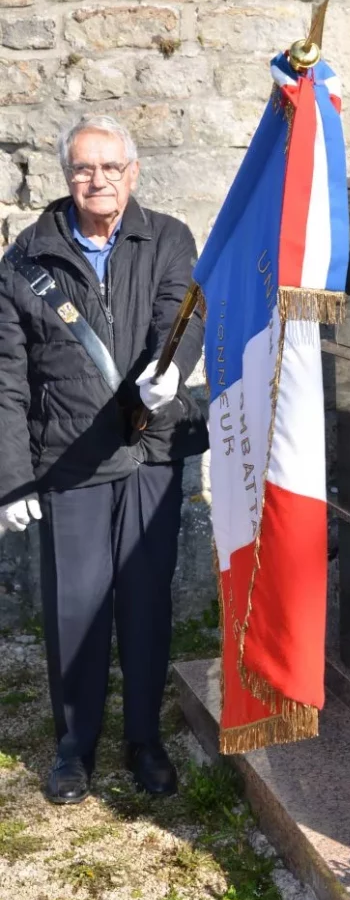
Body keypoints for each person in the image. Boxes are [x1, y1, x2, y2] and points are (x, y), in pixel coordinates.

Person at [0, 115, 208, 805]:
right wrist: (11, 478)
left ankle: (142, 739)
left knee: (147, 604)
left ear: (133, 173)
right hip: (70, 459)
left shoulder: (170, 236)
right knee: (76, 608)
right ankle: (74, 745)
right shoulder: (26, 260)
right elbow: (7, 379)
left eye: (110, 167)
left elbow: (181, 316)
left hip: (149, 452)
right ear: (67, 177)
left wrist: (167, 372)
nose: (98, 180)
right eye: (84, 169)